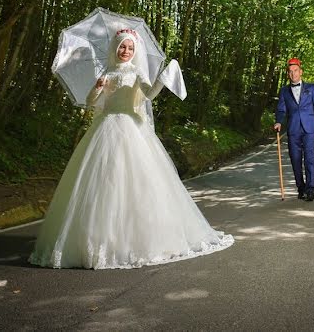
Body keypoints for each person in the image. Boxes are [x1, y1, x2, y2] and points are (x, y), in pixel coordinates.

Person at [29, 29, 233, 269]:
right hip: (104, 128)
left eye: (130, 48)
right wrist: (97, 87)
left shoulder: (137, 72)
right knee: (101, 183)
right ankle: (96, 240)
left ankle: (135, 239)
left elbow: (148, 95)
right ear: (115, 49)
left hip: (131, 128)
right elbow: (93, 102)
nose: (126, 51)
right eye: (122, 47)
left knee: (136, 182)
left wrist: (163, 78)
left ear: (135, 52)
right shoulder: (106, 72)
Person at [273, 58, 314, 201]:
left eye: (296, 71)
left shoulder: (311, 88)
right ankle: (301, 188)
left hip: (309, 128)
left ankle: (310, 189)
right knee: (295, 160)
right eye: (290, 72)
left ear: (300, 72)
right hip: (293, 129)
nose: (293, 74)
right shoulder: (284, 91)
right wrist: (278, 121)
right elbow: (281, 109)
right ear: (288, 74)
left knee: (309, 159)